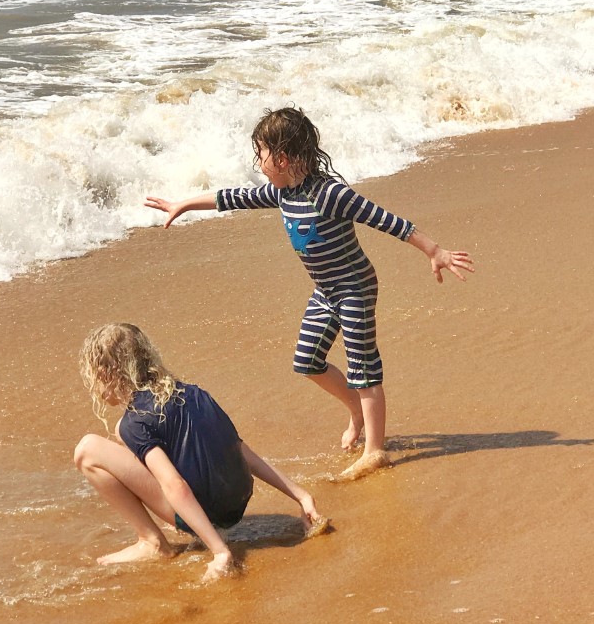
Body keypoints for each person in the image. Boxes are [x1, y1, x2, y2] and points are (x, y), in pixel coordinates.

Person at [145, 107, 474, 480]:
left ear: (282, 158)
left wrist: (434, 251)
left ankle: (375, 450)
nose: (258, 162)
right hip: (325, 291)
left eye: (260, 154)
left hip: (354, 288)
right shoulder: (281, 192)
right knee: (307, 361)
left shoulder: (330, 194)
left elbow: (387, 220)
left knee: (363, 367)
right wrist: (183, 204)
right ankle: (356, 410)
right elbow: (231, 197)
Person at [73, 322, 326, 583]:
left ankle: (152, 542)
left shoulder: (135, 422)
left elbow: (175, 485)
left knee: (87, 450)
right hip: (236, 502)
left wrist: (220, 551)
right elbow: (239, 449)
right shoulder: (194, 393)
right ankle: (189, 525)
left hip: (212, 514)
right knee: (124, 434)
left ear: (106, 372)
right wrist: (301, 495)